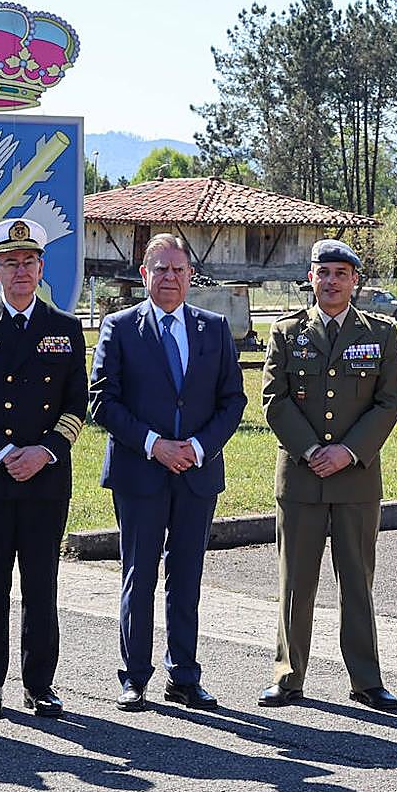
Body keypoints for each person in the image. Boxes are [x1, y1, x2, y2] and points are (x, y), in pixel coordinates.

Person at [89, 233, 246, 712]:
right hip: (141, 472)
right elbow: (101, 401)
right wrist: (155, 445)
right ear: (144, 274)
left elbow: (233, 400)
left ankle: (184, 675)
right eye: (160, 269)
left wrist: (197, 448)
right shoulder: (119, 327)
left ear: (190, 276)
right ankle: (134, 677)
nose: (170, 278)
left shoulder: (213, 328)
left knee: (187, 574)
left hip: (196, 473)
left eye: (178, 270)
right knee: (140, 572)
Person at [0, 218, 87, 719]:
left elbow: (77, 406)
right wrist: (7, 454)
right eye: (10, 262)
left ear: (41, 267)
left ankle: (40, 685)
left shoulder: (66, 329)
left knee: (41, 586)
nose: (20, 270)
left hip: (46, 478)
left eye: (28, 261)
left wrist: (43, 452)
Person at [258, 240, 397, 712]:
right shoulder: (286, 332)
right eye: (324, 273)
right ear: (310, 278)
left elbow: (389, 401)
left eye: (342, 273)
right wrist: (311, 449)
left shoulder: (379, 334)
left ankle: (366, 679)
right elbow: (274, 400)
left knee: (357, 583)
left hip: (355, 478)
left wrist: (348, 451)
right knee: (295, 584)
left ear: (355, 281)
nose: (332, 281)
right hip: (301, 478)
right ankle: (287, 675)